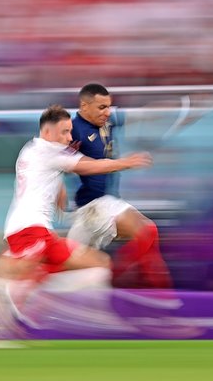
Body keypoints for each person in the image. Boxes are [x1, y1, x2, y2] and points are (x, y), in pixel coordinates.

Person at [0, 104, 152, 345]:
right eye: (64, 132)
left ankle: (32, 307)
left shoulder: (31, 149)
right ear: (48, 133)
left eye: (70, 131)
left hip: (38, 231)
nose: (69, 137)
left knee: (99, 263)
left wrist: (58, 187)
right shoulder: (50, 153)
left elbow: (48, 172)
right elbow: (89, 166)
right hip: (29, 230)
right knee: (2, 276)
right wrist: (126, 163)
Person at [67, 83, 173, 289]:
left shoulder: (107, 120)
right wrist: (125, 163)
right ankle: (139, 291)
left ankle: (152, 297)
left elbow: (142, 114)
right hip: (94, 206)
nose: (107, 112)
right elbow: (80, 166)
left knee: (74, 265)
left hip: (101, 209)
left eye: (109, 107)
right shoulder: (74, 131)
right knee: (147, 232)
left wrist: (182, 106)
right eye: (102, 108)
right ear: (84, 106)